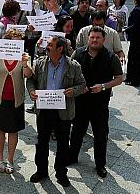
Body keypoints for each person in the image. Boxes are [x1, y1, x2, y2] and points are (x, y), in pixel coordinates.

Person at [26, 35, 86, 187]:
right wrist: (32, 90)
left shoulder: (73, 66)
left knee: (63, 144)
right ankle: (41, 171)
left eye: (50, 45)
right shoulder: (40, 63)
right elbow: (31, 80)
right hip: (44, 110)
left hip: (63, 111)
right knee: (41, 142)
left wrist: (73, 91)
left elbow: (82, 85)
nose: (47, 46)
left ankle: (61, 172)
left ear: (60, 49)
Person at [69, 26, 123, 178]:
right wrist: (77, 88)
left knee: (100, 134)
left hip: (100, 103)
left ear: (103, 40)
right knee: (77, 131)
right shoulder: (78, 53)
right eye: (92, 37)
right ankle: (72, 156)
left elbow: (119, 78)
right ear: (88, 38)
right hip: (80, 101)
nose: (94, 40)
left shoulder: (111, 56)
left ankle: (100, 165)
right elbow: (69, 72)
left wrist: (104, 86)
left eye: (98, 38)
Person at [0, 29, 32, 173]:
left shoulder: (24, 56)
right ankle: (0, 158)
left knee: (13, 131)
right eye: (12, 40)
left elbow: (28, 74)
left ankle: (10, 159)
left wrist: (25, 64)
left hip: (15, 99)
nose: (15, 43)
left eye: (18, 41)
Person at [124, 0, 140, 87]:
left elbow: (136, 25)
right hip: (139, 37)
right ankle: (132, 78)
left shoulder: (137, 10)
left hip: (136, 37)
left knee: (133, 59)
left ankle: (133, 79)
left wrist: (126, 29)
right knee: (134, 58)